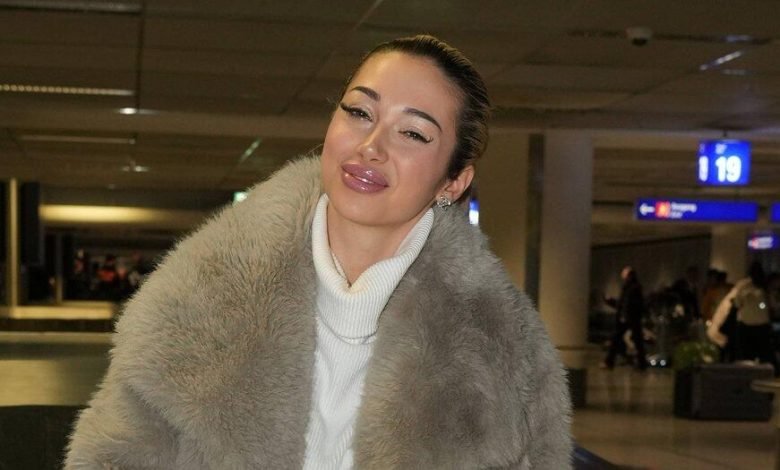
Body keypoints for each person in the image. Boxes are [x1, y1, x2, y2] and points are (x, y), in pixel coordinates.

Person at [65, 35, 572, 469]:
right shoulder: (195, 297)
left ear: (453, 181)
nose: (371, 146)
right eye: (359, 112)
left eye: (413, 133)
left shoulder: (506, 349)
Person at [708, 261, 776, 369]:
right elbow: (739, 303)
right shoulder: (751, 287)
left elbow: (739, 304)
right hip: (754, 325)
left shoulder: (749, 287)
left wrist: (757, 304)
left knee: (753, 356)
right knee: (755, 356)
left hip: (752, 325)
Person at [601, 266, 649, 370]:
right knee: (636, 340)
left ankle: (609, 362)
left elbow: (626, 304)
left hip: (629, 318)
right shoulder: (632, 287)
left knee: (620, 339)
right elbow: (623, 304)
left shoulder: (632, 288)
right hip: (631, 318)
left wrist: (624, 315)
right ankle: (641, 363)